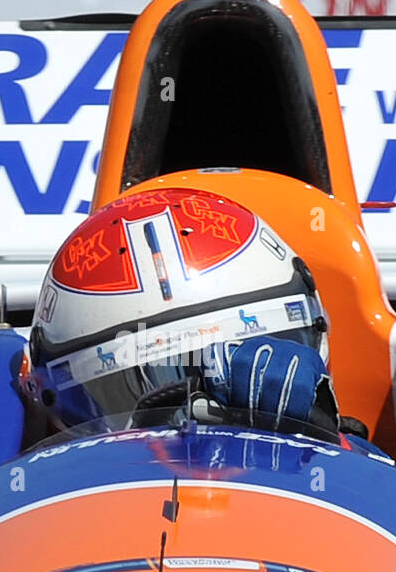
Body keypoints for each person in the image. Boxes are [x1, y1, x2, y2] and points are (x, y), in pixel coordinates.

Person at [22, 187, 349, 440]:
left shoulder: (362, 475)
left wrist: (319, 434)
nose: (197, 423)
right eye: (121, 390)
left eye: (247, 358)